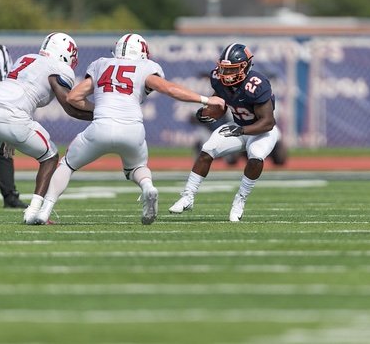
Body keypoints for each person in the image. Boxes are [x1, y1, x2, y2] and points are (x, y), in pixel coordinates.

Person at [25, 33, 225, 226]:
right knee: (138, 167)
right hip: (132, 128)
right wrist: (206, 99)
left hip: (100, 126)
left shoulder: (102, 64)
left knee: (67, 165)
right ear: (142, 53)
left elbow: (73, 97)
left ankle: (44, 211)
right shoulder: (146, 67)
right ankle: (147, 186)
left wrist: (100, 108)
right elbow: (170, 89)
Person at [169, 42, 280, 222]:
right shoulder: (218, 78)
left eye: (232, 70)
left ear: (245, 67)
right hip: (238, 127)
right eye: (224, 70)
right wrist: (208, 113)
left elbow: (268, 122)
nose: (226, 75)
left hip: (260, 131)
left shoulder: (257, 83)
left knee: (256, 157)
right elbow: (219, 102)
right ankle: (187, 196)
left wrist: (242, 130)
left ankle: (240, 200)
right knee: (207, 150)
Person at [0, 33, 94, 223]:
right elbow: (70, 106)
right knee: (50, 156)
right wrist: (103, 112)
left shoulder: (24, 59)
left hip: (6, 109)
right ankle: (33, 211)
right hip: (13, 116)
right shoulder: (58, 68)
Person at [0, 45, 27, 208]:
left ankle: (10, 196)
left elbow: (8, 80)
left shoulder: (2, 50)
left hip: (2, 103)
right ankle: (10, 196)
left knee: (4, 150)